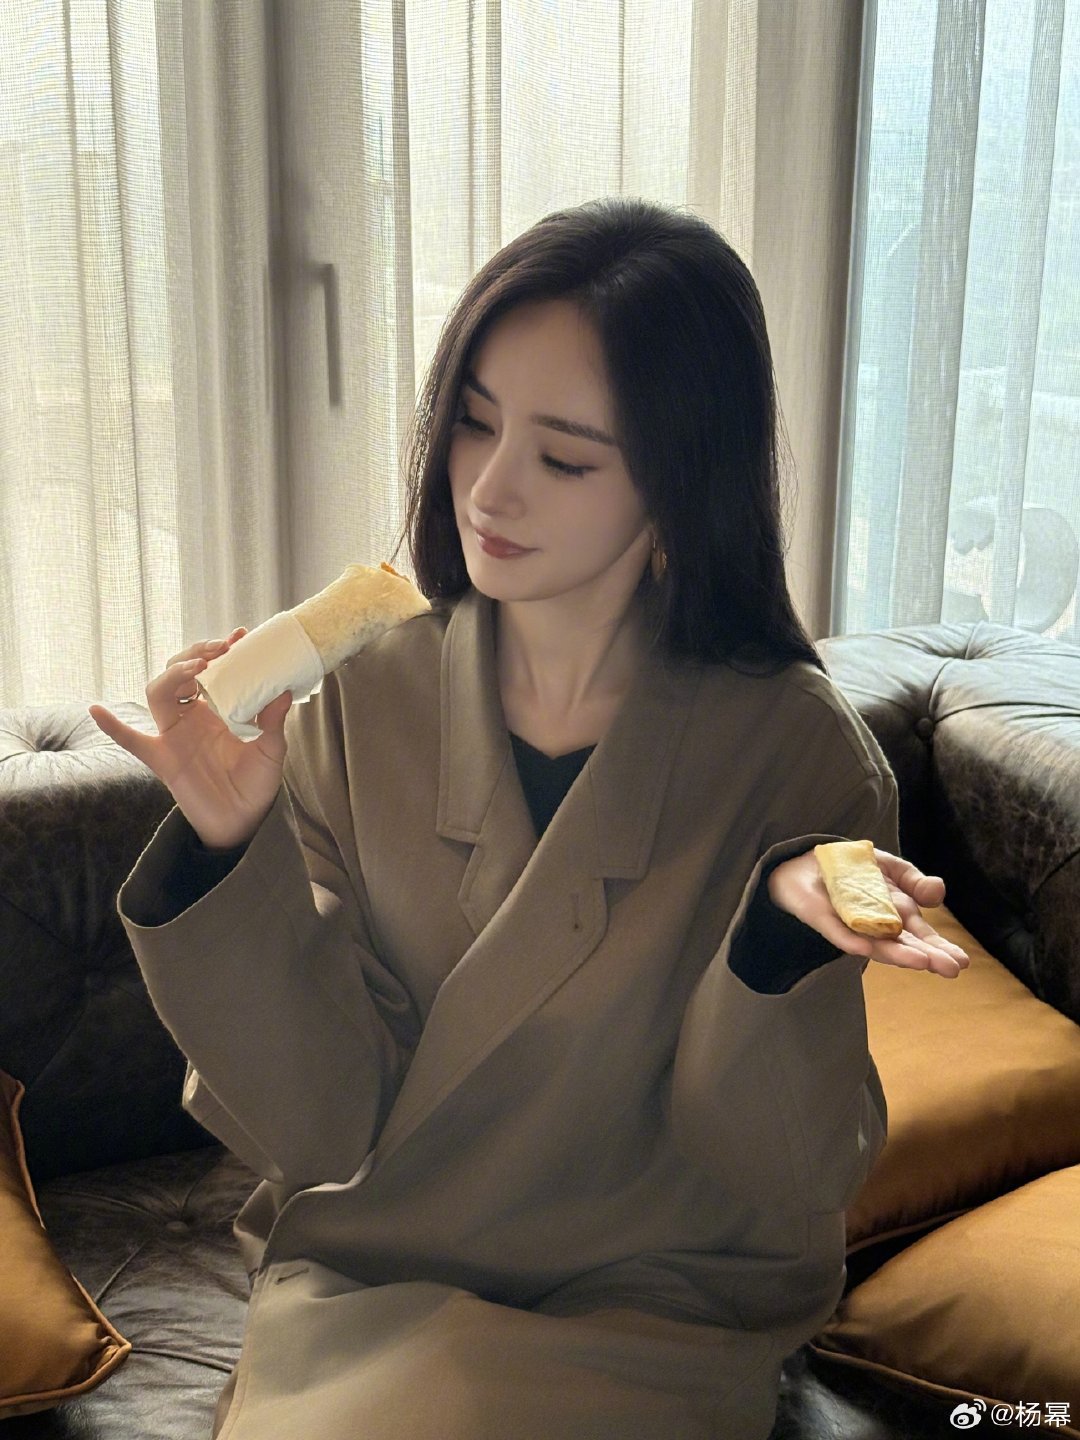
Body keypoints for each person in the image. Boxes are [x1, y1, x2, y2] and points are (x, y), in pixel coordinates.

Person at [91, 196, 968, 1440]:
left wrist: (775, 945)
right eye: (474, 422)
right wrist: (228, 844)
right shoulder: (362, 699)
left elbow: (780, 1169)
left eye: (565, 458)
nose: (489, 488)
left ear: (678, 487)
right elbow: (323, 1123)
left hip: (657, 1296)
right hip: (379, 1271)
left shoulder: (800, 754)